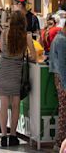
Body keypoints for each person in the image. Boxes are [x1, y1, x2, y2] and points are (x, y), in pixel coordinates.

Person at [0, 10, 36, 147]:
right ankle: (13, 135)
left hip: (3, 70)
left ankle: (3, 136)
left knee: (3, 105)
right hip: (16, 72)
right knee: (15, 105)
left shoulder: (4, 34)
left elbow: (2, 50)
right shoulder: (26, 36)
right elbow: (34, 56)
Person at [49, 21, 66, 150]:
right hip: (62, 79)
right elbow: (62, 66)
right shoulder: (61, 40)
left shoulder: (58, 39)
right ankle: (60, 142)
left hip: (59, 78)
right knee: (63, 112)